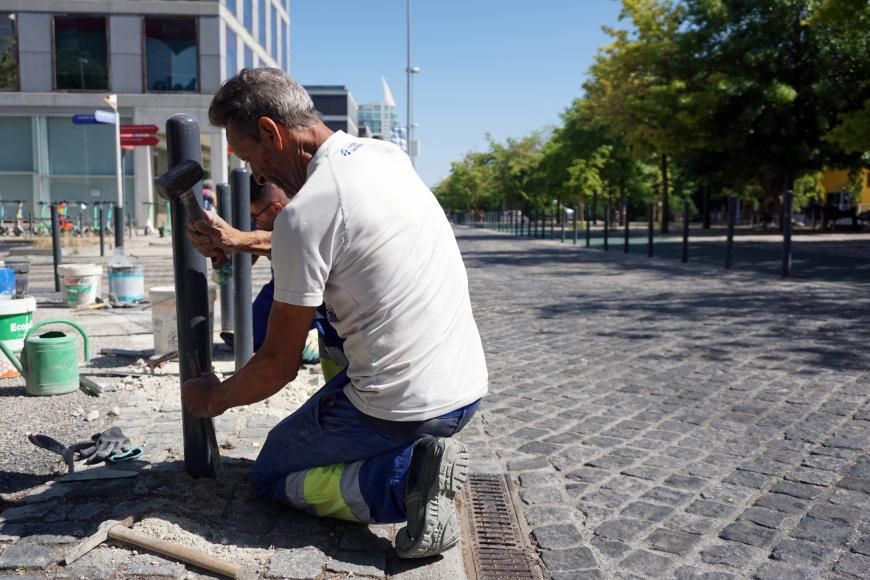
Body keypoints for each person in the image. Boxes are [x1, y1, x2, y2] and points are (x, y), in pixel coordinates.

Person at [183, 68, 487, 559]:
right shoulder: (386, 157)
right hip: (465, 390)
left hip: (402, 411)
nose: (256, 175)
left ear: (270, 131)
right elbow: (342, 236)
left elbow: (277, 367)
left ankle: (405, 479)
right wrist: (244, 241)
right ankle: (408, 454)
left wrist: (214, 398)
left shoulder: (305, 216)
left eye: (249, 156)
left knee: (272, 476)